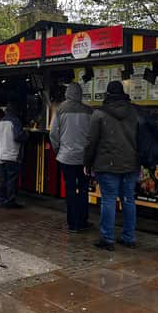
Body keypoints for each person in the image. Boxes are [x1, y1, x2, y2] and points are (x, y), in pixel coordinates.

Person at [84, 81, 140, 251]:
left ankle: (107, 239)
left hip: (107, 164)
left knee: (108, 200)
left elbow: (91, 141)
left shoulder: (99, 114)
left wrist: (87, 162)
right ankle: (129, 237)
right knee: (128, 200)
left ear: (107, 94)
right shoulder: (134, 111)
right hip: (131, 163)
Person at [50, 83, 93, 232]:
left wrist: (58, 149)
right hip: (84, 158)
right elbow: (94, 135)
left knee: (69, 189)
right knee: (83, 188)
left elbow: (53, 134)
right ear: (80, 94)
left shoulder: (60, 110)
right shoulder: (89, 111)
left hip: (66, 157)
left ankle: (72, 223)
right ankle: (83, 220)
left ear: (67, 93)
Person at [0, 103, 28, 208]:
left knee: (2, 179)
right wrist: (26, 135)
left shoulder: (0, 122)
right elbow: (18, 136)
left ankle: (1, 199)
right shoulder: (15, 121)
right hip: (12, 154)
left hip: (1, 154)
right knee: (11, 179)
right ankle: (10, 201)